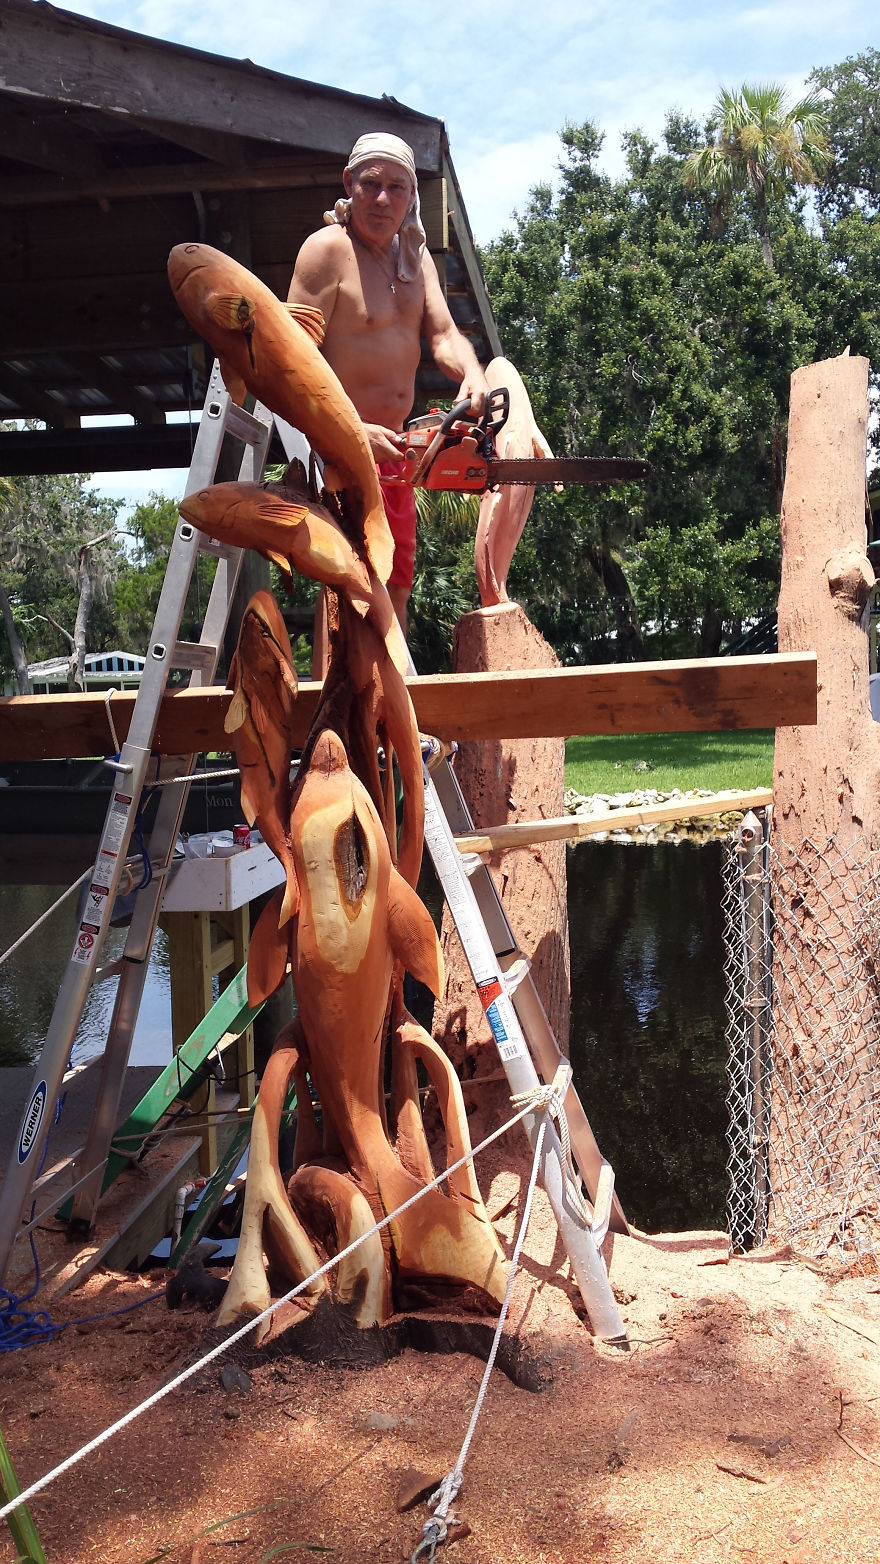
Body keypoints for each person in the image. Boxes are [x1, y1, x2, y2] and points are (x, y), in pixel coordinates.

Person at [288, 131, 488, 633]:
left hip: (397, 454)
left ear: (412, 196)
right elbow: (291, 361)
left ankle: (388, 704)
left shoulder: (415, 259)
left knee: (396, 586)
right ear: (348, 184)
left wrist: (473, 373)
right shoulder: (326, 250)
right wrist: (350, 429)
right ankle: (333, 709)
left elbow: (444, 335)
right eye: (371, 184)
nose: (383, 199)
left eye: (397, 187)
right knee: (348, 592)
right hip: (341, 451)